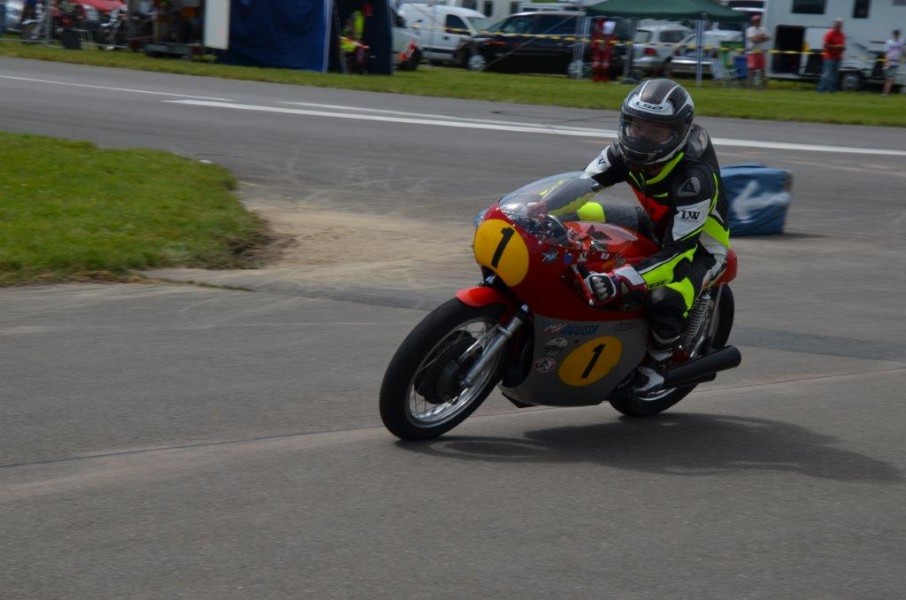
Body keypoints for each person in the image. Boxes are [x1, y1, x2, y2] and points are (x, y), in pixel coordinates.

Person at [578, 80, 731, 395]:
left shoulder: (694, 178)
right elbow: (579, 187)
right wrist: (538, 208)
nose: (643, 137)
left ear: (678, 133)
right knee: (582, 217)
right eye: (637, 126)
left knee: (667, 299)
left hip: (699, 246)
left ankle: (659, 362)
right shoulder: (621, 151)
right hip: (655, 222)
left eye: (657, 131)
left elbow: (678, 253)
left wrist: (623, 279)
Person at [817, 18, 846, 93]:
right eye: (838, 24)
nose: (840, 26)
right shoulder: (829, 33)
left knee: (835, 75)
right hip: (829, 57)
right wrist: (837, 47)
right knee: (827, 74)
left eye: (841, 24)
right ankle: (821, 90)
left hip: (838, 57)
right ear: (835, 25)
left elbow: (842, 45)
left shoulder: (842, 34)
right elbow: (825, 45)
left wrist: (842, 49)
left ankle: (832, 90)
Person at [745, 13, 770, 89]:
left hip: (761, 52)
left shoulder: (764, 29)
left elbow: (769, 38)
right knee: (751, 70)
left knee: (762, 70)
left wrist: (758, 38)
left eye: (758, 20)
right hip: (752, 52)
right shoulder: (750, 29)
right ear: (753, 22)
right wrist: (761, 37)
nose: (757, 22)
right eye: (756, 21)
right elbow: (753, 40)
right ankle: (749, 86)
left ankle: (763, 87)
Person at [882, 29, 903, 96]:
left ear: (899, 35)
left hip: (896, 63)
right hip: (889, 61)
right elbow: (885, 52)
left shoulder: (901, 42)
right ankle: (886, 92)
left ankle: (887, 92)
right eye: (895, 34)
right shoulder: (889, 42)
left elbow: (904, 51)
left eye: (897, 34)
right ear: (893, 35)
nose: (896, 35)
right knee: (889, 78)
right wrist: (886, 61)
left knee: (891, 78)